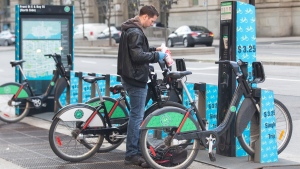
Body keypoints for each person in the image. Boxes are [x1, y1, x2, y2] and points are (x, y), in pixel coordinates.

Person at [117, 5, 166, 168]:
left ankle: (136, 147)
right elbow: (138, 56)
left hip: (130, 75)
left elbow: (137, 50)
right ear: (145, 16)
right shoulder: (135, 31)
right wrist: (158, 55)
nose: (153, 23)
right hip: (136, 78)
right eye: (152, 20)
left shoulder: (130, 28)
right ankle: (132, 154)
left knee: (136, 115)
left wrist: (154, 49)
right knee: (136, 117)